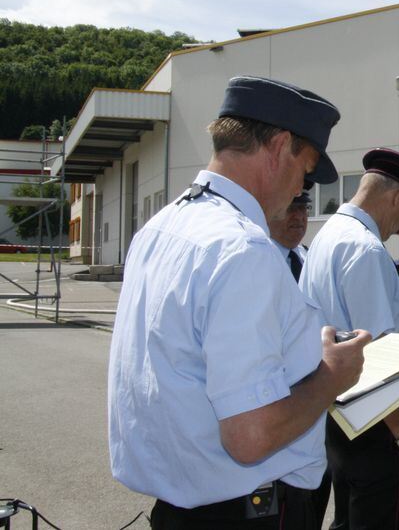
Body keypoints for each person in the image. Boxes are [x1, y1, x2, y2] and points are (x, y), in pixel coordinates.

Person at [108, 75, 370, 529]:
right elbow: (251, 437)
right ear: (279, 147)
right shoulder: (243, 250)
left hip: (181, 510)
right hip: (247, 512)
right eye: (304, 170)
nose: (298, 191)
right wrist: (331, 375)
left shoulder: (161, 227)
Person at [300, 148, 399, 530]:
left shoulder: (327, 236)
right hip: (378, 426)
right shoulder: (364, 249)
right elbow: (381, 360)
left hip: (338, 416)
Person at [269, 188, 311, 281]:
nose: (299, 217)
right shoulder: (258, 260)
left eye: (303, 208)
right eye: (290, 208)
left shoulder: (309, 257)